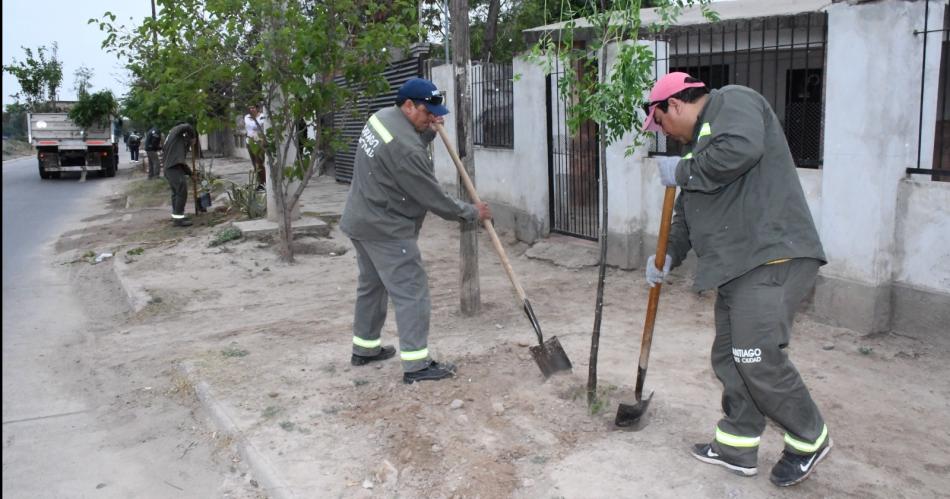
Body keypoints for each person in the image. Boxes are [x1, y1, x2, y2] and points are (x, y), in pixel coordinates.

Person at [641, 72, 831, 487]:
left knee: (755, 356)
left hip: (771, 255)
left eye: (659, 122)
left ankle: (809, 436)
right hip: (736, 269)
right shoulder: (700, 151)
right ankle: (736, 445)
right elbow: (686, 216)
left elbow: (743, 149)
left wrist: (686, 170)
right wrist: (668, 254)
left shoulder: (732, 102)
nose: (663, 133)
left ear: (674, 104)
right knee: (730, 358)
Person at [340, 78, 491, 384]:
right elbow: (433, 197)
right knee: (412, 292)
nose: (433, 118)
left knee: (372, 285)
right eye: (427, 112)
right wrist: (471, 213)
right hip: (387, 229)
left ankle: (364, 349)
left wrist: (429, 132)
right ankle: (417, 365)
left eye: (436, 113)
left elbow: (401, 152)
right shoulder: (407, 149)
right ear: (408, 106)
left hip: (360, 219)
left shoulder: (380, 118)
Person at [162, 122, 197, 227]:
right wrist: (193, 137)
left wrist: (191, 174)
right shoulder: (175, 132)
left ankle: (177, 216)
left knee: (176, 193)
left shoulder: (175, 142)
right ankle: (178, 219)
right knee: (181, 192)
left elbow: (181, 162)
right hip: (173, 169)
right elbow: (187, 126)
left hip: (172, 168)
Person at [244, 104, 266, 191]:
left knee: (259, 163)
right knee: (254, 164)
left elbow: (258, 126)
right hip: (250, 142)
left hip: (259, 142)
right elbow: (253, 126)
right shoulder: (247, 117)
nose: (252, 109)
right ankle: (260, 183)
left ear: (257, 108)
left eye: (253, 107)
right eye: (250, 107)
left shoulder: (262, 116)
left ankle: (263, 183)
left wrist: (256, 123)